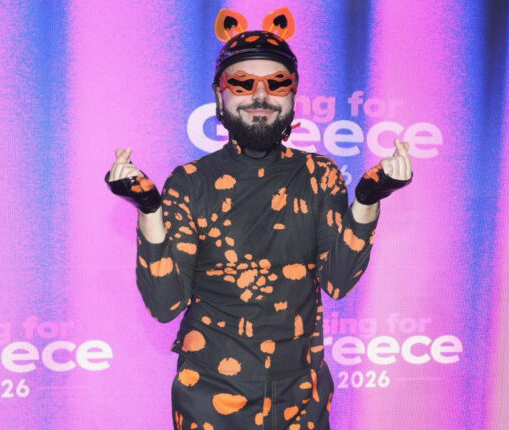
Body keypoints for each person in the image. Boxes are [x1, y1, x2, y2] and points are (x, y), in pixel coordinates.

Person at [105, 8, 412, 429]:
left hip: (301, 400)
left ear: (293, 94)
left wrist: (367, 200)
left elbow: (338, 282)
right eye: (243, 83)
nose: (261, 95)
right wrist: (149, 211)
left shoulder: (319, 176)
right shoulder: (191, 182)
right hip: (209, 399)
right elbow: (165, 304)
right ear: (220, 96)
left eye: (277, 83)